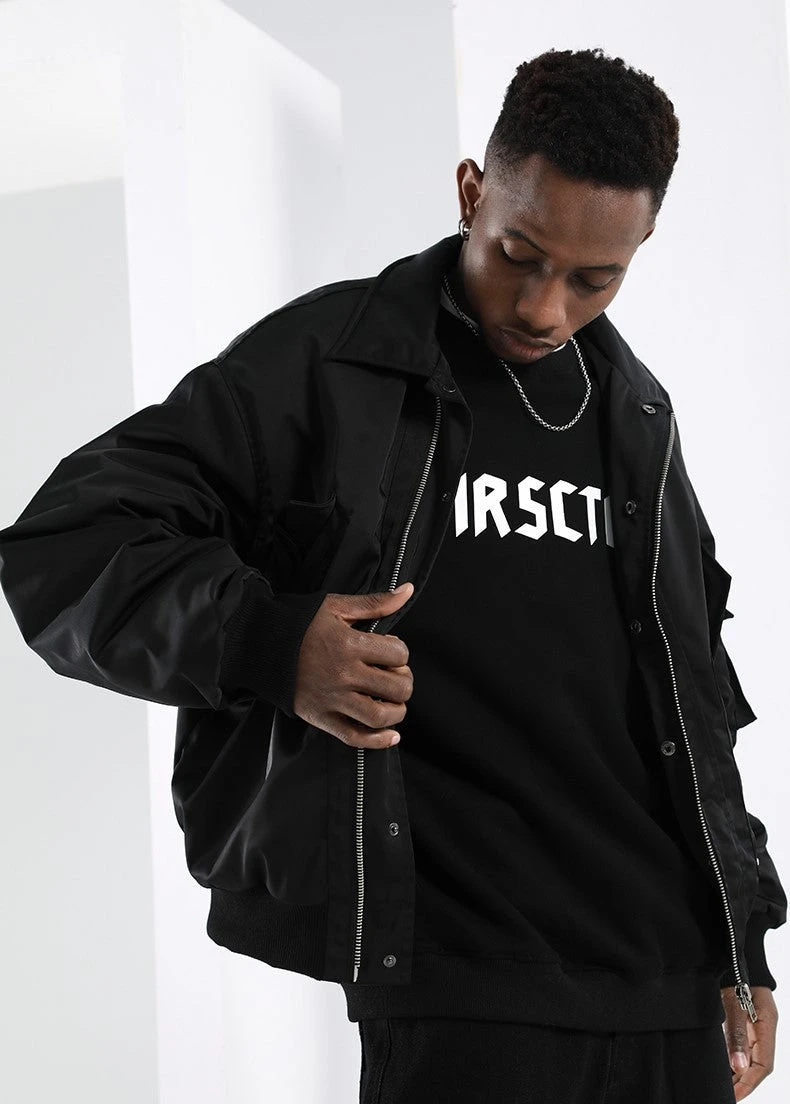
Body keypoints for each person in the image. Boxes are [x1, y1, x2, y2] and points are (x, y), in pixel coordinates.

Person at [0, 45, 785, 1103]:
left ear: (638, 247)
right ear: (471, 192)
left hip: (669, 987)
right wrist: (271, 642)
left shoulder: (637, 417)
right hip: (467, 987)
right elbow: (67, 541)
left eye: (592, 280)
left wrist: (741, 939)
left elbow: (692, 703)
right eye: (518, 254)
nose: (544, 307)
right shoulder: (331, 362)